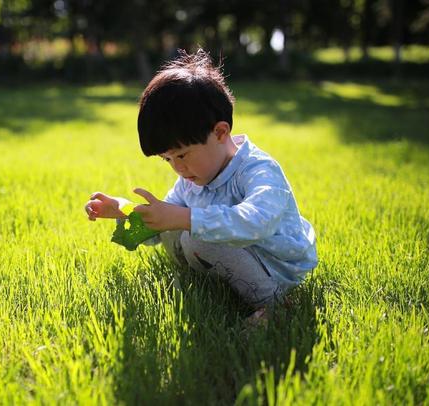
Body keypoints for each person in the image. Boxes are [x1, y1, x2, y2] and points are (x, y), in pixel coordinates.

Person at [84, 49, 317, 321]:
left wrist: (185, 218)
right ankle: (205, 281)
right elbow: (164, 220)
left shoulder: (258, 170)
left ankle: (275, 304)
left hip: (277, 264)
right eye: (167, 159)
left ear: (220, 132)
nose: (178, 168)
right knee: (174, 227)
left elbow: (257, 222)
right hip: (236, 255)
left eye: (182, 155)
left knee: (196, 234)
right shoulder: (192, 177)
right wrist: (124, 209)